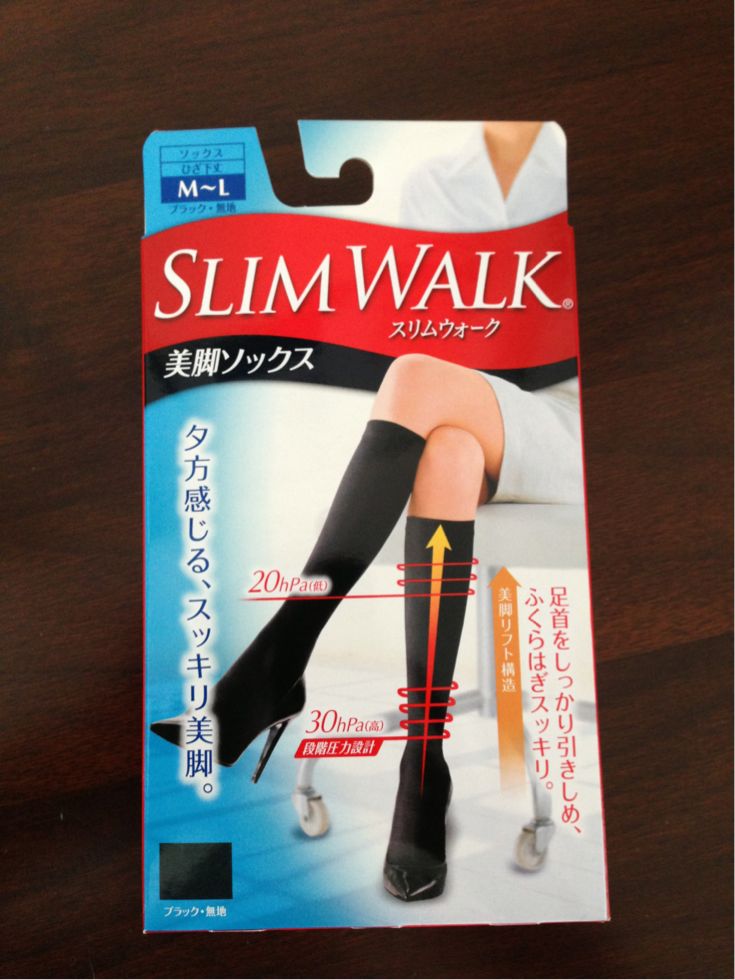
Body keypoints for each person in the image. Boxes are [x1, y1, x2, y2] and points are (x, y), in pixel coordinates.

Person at [151, 120, 583, 902]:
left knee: (417, 378)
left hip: (571, 416)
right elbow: (423, 328)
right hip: (473, 409)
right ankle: (424, 764)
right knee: (446, 449)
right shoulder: (433, 185)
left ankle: (274, 666)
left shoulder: (590, 164)